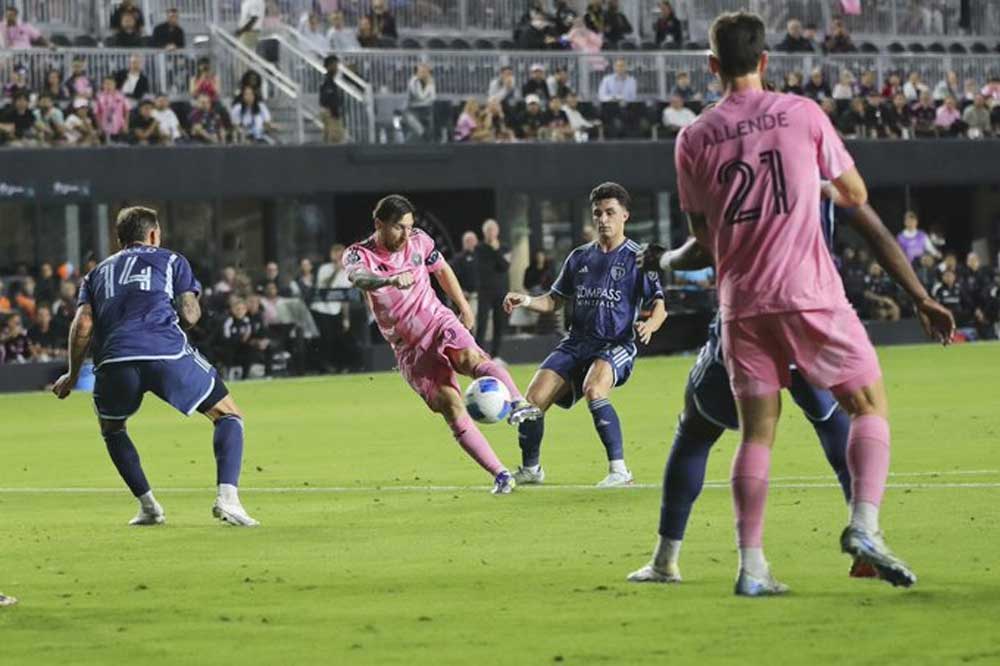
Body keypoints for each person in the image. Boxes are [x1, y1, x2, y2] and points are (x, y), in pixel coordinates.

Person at [671, 11, 954, 596]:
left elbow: (703, 232)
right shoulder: (802, 114)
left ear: (712, 66)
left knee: (755, 434)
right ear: (766, 61)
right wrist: (811, 184)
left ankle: (751, 568)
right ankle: (865, 526)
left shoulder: (693, 137)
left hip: (741, 304)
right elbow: (855, 195)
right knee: (868, 403)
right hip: (809, 293)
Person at [629, 194, 884, 585]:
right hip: (811, 316)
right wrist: (919, 295)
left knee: (699, 429)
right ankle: (866, 536)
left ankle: (671, 561)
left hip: (750, 316)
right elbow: (868, 216)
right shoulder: (824, 183)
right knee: (833, 420)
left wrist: (662, 260)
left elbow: (705, 246)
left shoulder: (745, 176)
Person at [52, 206, 258, 527]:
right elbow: (190, 313)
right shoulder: (172, 260)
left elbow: (83, 325)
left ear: (119, 239)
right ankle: (228, 499)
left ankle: (148, 506)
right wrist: (185, 319)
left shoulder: (95, 274)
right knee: (228, 414)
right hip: (165, 354)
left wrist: (72, 374)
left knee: (113, 429)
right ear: (152, 234)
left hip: (113, 361)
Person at [343, 195, 541, 494]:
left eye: (410, 227)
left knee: (469, 359)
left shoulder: (419, 241)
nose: (406, 235)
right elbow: (359, 278)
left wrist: (463, 305)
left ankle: (517, 403)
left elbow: (442, 269)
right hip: (409, 349)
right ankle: (500, 474)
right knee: (450, 404)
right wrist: (390, 281)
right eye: (399, 228)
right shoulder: (360, 254)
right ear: (379, 224)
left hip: (437, 322)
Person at [504, 183, 667, 487]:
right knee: (532, 401)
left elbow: (659, 305)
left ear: (625, 216)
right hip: (575, 343)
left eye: (610, 212)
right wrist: (525, 300)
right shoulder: (579, 258)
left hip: (615, 344)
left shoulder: (639, 258)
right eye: (598, 213)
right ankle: (531, 469)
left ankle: (620, 471)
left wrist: (651, 325)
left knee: (595, 389)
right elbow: (553, 301)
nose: (603, 219)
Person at [474, 219, 510, 358]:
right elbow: (483, 268)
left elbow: (505, 266)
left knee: (499, 324)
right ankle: (479, 353)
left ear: (497, 231)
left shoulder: (504, 247)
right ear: (484, 232)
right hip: (484, 291)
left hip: (500, 291)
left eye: (493, 230)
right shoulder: (479, 248)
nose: (491, 233)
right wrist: (495, 255)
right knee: (482, 323)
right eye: (488, 230)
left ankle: (496, 355)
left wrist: (496, 251)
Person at [320, 55, 345, 144]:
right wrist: (334, 110)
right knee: (335, 138)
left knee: (329, 138)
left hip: (331, 112)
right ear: (330, 66)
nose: (337, 68)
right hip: (331, 113)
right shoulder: (327, 81)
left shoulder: (331, 81)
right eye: (335, 65)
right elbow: (327, 99)